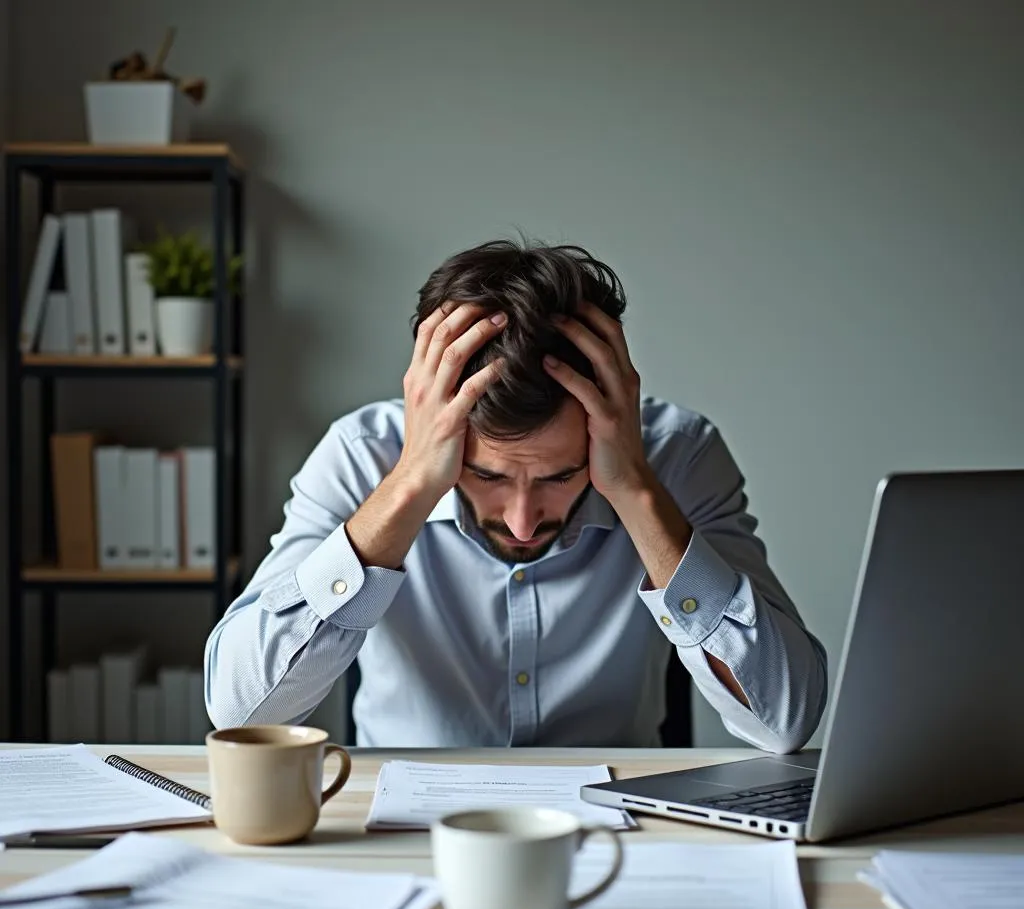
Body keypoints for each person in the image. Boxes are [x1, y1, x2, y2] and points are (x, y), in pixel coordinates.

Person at [205, 239, 827, 750]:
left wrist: (634, 488)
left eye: (560, 476)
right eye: (489, 476)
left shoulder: (677, 456)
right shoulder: (363, 453)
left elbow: (785, 721)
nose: (525, 522)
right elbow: (239, 710)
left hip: (619, 830)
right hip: (400, 834)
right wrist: (413, 483)